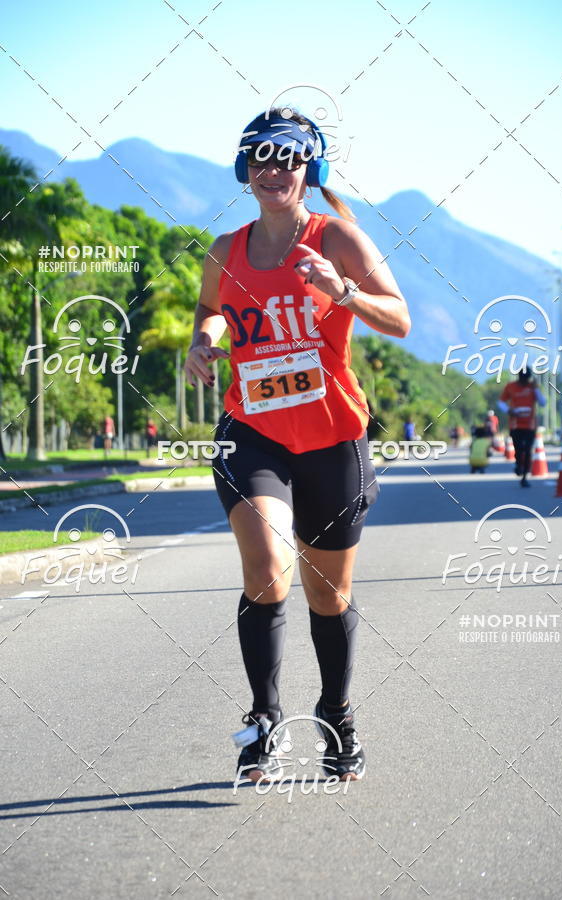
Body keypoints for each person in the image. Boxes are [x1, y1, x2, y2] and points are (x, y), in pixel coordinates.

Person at [184, 108, 410, 783]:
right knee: (265, 568)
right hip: (252, 434)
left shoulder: (336, 236)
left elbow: (398, 318)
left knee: (327, 596)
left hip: (333, 438)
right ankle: (264, 721)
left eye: (286, 158)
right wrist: (205, 339)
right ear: (244, 168)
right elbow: (211, 309)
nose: (271, 169)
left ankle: (337, 717)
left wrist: (342, 291)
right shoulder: (226, 248)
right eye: (259, 157)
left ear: (308, 169)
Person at [497, 367, 546, 487]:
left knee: (528, 450)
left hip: (530, 425)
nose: (524, 382)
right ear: (519, 377)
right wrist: (509, 410)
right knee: (518, 449)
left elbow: (543, 402)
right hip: (515, 424)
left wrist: (536, 389)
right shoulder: (511, 386)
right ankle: (519, 464)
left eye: (526, 380)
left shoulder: (532, 387)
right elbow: (501, 402)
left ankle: (524, 477)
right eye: (522, 379)